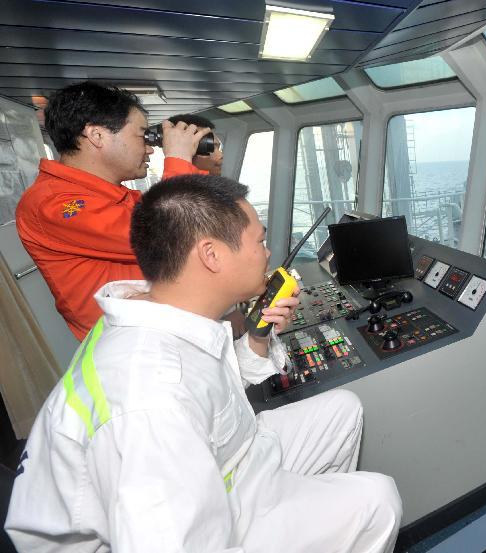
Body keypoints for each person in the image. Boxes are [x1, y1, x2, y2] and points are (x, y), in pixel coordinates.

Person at [5, 174, 402, 553]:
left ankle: (307, 517)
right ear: (211, 254)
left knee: (341, 409)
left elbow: (214, 390)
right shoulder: (148, 399)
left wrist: (258, 335)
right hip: (194, 513)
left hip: (224, 462)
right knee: (377, 499)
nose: (266, 252)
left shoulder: (158, 308)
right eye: (259, 240)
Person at [15, 81, 211, 341]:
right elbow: (162, 235)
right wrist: (178, 161)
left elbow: (198, 222)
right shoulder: (51, 203)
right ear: (97, 136)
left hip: (162, 333)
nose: (151, 147)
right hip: (130, 349)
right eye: (142, 135)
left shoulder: (114, 196)